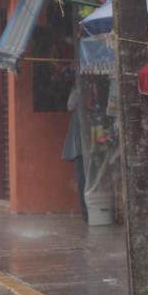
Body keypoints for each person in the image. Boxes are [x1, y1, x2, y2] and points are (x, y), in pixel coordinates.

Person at [62, 85, 87, 222]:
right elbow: (70, 106)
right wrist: (78, 89)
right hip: (80, 149)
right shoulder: (78, 90)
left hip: (91, 145)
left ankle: (88, 211)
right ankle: (86, 212)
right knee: (82, 180)